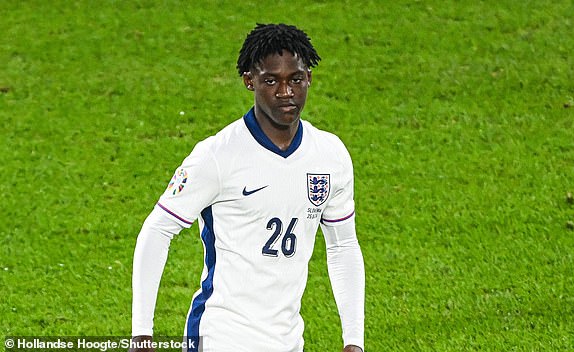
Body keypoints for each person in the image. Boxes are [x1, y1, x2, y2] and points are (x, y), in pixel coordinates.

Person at [130, 23, 365, 352]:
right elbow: (157, 230)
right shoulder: (217, 156)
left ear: (308, 78)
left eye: (295, 79)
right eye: (271, 81)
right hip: (221, 336)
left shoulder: (330, 156)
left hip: (288, 340)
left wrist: (354, 341)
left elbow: (343, 247)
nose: (286, 93)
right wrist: (142, 334)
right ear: (249, 81)